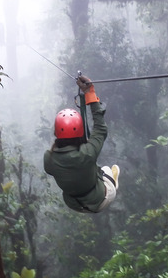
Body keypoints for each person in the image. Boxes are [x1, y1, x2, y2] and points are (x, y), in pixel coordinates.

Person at [43, 76, 120, 213]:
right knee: (107, 170)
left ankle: (101, 176)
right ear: (80, 131)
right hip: (101, 199)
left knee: (92, 171)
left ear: (56, 132)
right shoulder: (87, 153)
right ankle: (111, 179)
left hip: (74, 204)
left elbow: (51, 169)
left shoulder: (49, 158)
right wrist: (90, 92)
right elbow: (100, 129)